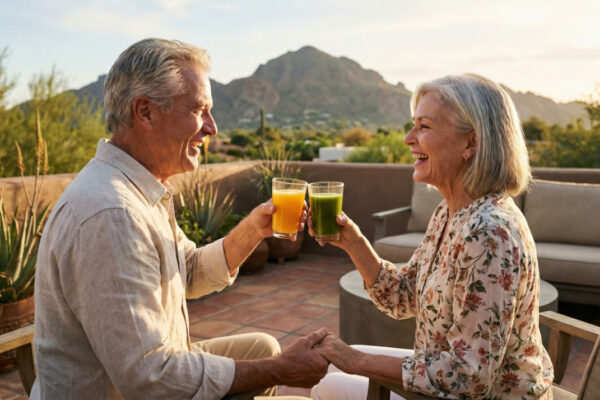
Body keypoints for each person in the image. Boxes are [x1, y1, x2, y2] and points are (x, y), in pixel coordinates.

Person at [32, 38, 328, 400]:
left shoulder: (144, 188)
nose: (212, 128)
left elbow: (185, 270)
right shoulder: (112, 215)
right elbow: (151, 378)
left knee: (262, 347)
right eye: (199, 110)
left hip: (147, 374)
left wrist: (254, 229)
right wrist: (280, 370)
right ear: (145, 112)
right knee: (269, 362)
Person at [309, 74, 554, 399]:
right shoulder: (449, 213)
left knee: (319, 381)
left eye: (424, 126)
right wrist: (353, 242)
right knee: (322, 367)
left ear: (472, 143)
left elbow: (468, 377)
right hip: (440, 375)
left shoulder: (490, 231)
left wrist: (359, 361)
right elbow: (404, 295)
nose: (409, 138)